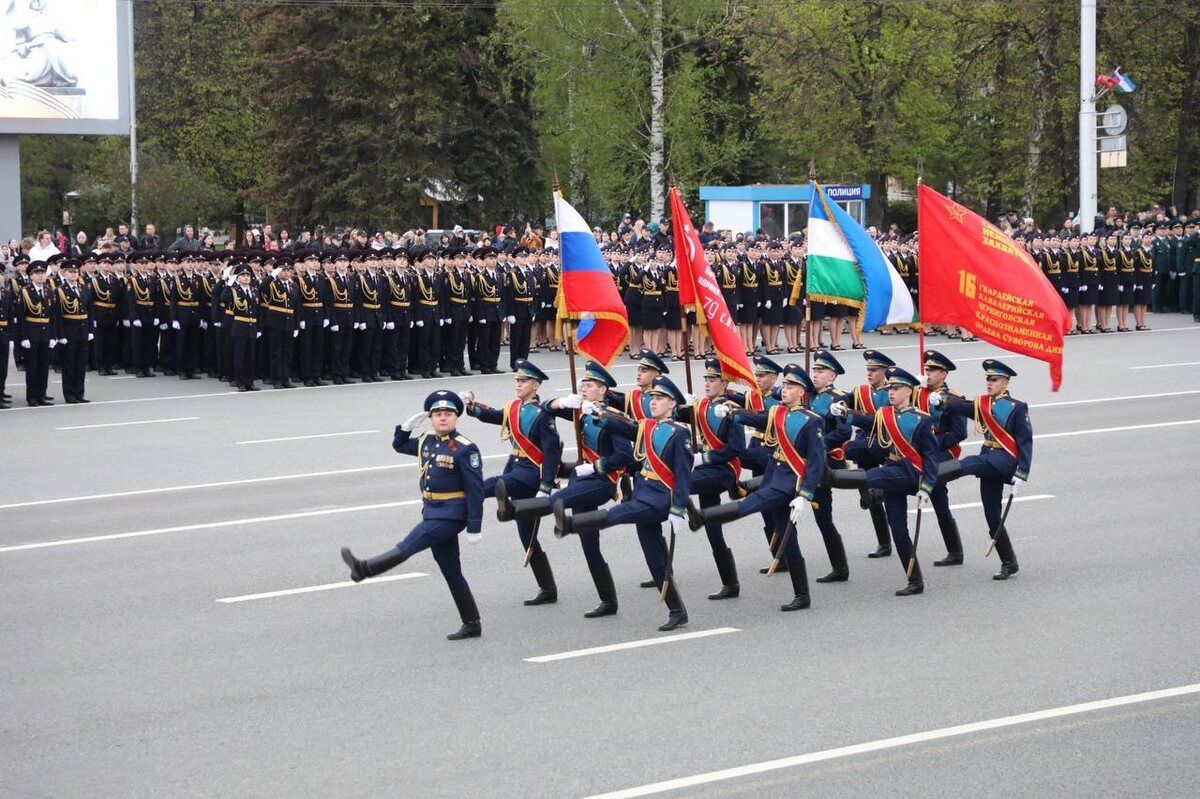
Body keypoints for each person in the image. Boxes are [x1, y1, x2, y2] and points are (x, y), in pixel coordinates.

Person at [340, 390, 487, 641]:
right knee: (451, 570)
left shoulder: (465, 448)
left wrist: (474, 526)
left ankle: (365, 569)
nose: (443, 419)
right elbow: (399, 445)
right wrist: (406, 427)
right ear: (430, 418)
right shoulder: (427, 441)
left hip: (451, 514)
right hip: (431, 509)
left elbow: (475, 490)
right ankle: (472, 623)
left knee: (409, 544)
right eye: (438, 414)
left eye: (448, 414)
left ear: (456, 418)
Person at [554, 375, 692, 631]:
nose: (653, 402)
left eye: (660, 399)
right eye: (653, 398)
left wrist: (678, 508)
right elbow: (623, 426)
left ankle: (572, 523)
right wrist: (597, 413)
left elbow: (684, 475)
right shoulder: (647, 426)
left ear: (672, 404)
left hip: (661, 498)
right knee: (654, 559)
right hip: (644, 492)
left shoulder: (679, 434)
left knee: (620, 512)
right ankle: (677, 610)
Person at [496, 360, 633, 618]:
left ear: (603, 390)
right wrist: (561, 403)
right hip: (581, 480)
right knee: (589, 545)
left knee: (559, 499)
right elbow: (544, 408)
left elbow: (624, 457)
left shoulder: (614, 419)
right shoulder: (581, 411)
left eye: (589, 385)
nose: (584, 388)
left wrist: (596, 467)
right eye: (583, 384)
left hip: (601, 482)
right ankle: (608, 601)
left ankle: (512, 509)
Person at [685, 364, 826, 612]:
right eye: (785, 385)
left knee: (750, 504)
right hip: (774, 476)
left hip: (790, 483)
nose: (785, 390)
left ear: (802, 391)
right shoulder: (777, 413)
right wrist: (732, 413)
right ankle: (802, 595)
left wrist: (805, 496)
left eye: (791, 387)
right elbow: (758, 417)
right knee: (788, 539)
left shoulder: (811, 421)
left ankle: (703, 518)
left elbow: (815, 463)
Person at [831, 366, 942, 596]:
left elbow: (930, 457)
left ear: (909, 391)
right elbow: (869, 422)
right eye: (890, 387)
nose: (891, 392)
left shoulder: (922, 420)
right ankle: (915, 580)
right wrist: (845, 414)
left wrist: (927, 487)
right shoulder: (885, 414)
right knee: (899, 530)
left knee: (874, 476)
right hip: (893, 469)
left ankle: (837, 480)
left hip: (910, 472)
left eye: (897, 388)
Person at [466, 360, 562, 606]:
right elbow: (495, 416)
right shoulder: (513, 407)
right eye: (517, 380)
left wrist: (545, 487)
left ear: (536, 385)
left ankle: (471, 501)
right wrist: (472, 406)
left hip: (531, 473)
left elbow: (551, 454)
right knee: (527, 536)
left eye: (523, 381)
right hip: (517, 466)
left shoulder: (543, 415)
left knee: (490, 485)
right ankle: (548, 588)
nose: (518, 384)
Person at [929, 359, 1031, 581]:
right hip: (989, 458)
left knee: (970, 463)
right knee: (991, 515)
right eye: (987, 379)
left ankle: (930, 476)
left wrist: (1023, 471)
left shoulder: (1017, 407)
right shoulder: (983, 403)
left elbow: (1025, 441)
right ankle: (1009, 562)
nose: (989, 383)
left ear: (1005, 383)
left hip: (1004, 460)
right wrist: (943, 401)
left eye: (994, 379)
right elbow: (963, 406)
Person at [676, 358, 747, 600]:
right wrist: (680, 405)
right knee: (713, 529)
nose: (707, 382)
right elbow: (677, 415)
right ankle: (731, 584)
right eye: (705, 378)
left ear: (724, 382)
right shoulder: (702, 405)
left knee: (679, 483)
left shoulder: (730, 410)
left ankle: (688, 511)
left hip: (724, 470)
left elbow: (736, 448)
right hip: (707, 470)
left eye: (713, 379)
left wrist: (704, 458)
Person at [912, 350, 967, 566]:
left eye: (933, 370)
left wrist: (932, 445)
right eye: (926, 369)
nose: (928, 372)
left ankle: (955, 551)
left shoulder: (953, 398)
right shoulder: (917, 393)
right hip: (920, 450)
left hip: (942, 451)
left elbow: (959, 433)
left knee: (938, 498)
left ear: (943, 374)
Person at [805, 350, 853, 582]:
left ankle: (840, 567)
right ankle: (781, 557)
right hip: (802, 461)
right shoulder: (808, 394)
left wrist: (819, 444)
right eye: (813, 370)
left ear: (832, 376)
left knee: (823, 517)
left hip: (824, 461)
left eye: (820, 371)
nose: (815, 374)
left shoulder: (836, 398)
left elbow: (844, 430)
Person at [846, 349, 897, 558]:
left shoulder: (894, 391)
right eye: (868, 370)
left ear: (884, 371)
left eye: (874, 370)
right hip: (864, 443)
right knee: (870, 497)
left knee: (885, 494)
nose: (869, 373)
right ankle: (883, 543)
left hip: (885, 444)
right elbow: (842, 402)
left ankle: (898, 535)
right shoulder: (860, 392)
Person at [52, 258, 91, 403]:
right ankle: (69, 394)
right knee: (69, 365)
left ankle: (79, 393)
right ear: (65, 273)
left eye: (76, 272)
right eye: (71, 272)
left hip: (82, 330)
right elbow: (57, 315)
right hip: (68, 332)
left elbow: (89, 310)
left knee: (80, 364)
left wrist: (90, 330)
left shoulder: (83, 288)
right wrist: (59, 335)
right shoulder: (60, 290)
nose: (74, 274)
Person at [17, 260, 55, 406]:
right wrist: (23, 337)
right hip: (31, 334)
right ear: (31, 276)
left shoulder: (48, 291)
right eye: (37, 273)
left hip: (45, 333)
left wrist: (52, 335)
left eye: (42, 273)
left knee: (43, 366)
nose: (41, 276)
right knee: (32, 367)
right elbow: (21, 317)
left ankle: (42, 394)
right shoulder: (24, 291)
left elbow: (52, 316)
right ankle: (32, 396)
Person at [227, 263, 262, 392]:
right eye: (243, 275)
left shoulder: (254, 290)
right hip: (240, 326)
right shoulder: (234, 290)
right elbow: (224, 299)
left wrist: (259, 328)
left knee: (251, 357)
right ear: (238, 278)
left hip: (252, 326)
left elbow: (258, 311)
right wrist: (229, 284)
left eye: (248, 275)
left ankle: (250, 382)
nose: (246, 278)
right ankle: (240, 382)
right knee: (240, 356)